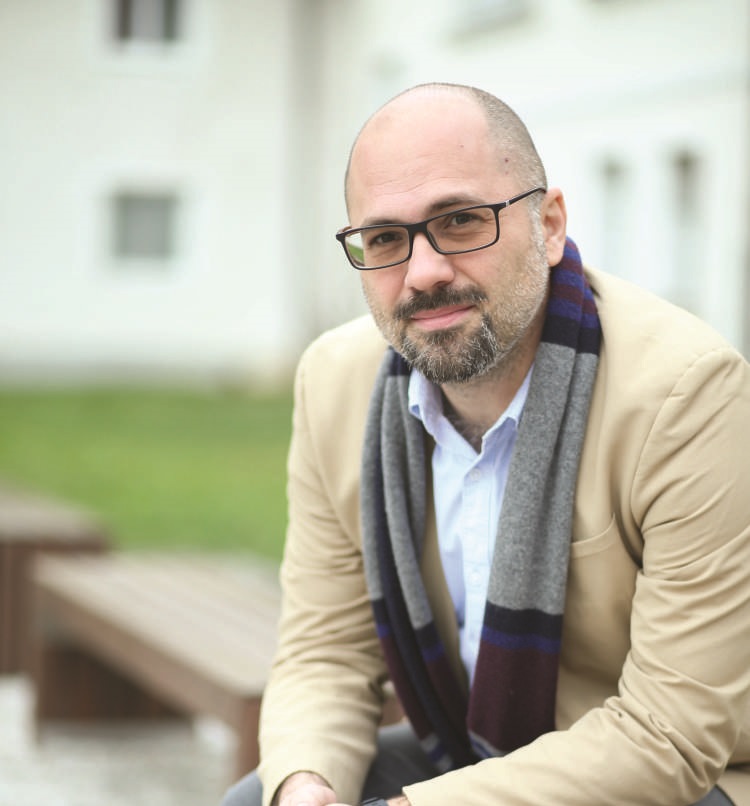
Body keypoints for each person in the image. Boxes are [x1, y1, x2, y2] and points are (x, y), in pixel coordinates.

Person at [221, 83, 750, 806]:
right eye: (385, 238)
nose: (424, 272)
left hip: (677, 776)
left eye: (461, 221)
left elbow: (670, 736)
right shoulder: (334, 383)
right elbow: (326, 653)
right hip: (464, 748)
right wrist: (306, 785)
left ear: (550, 225)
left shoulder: (687, 394)